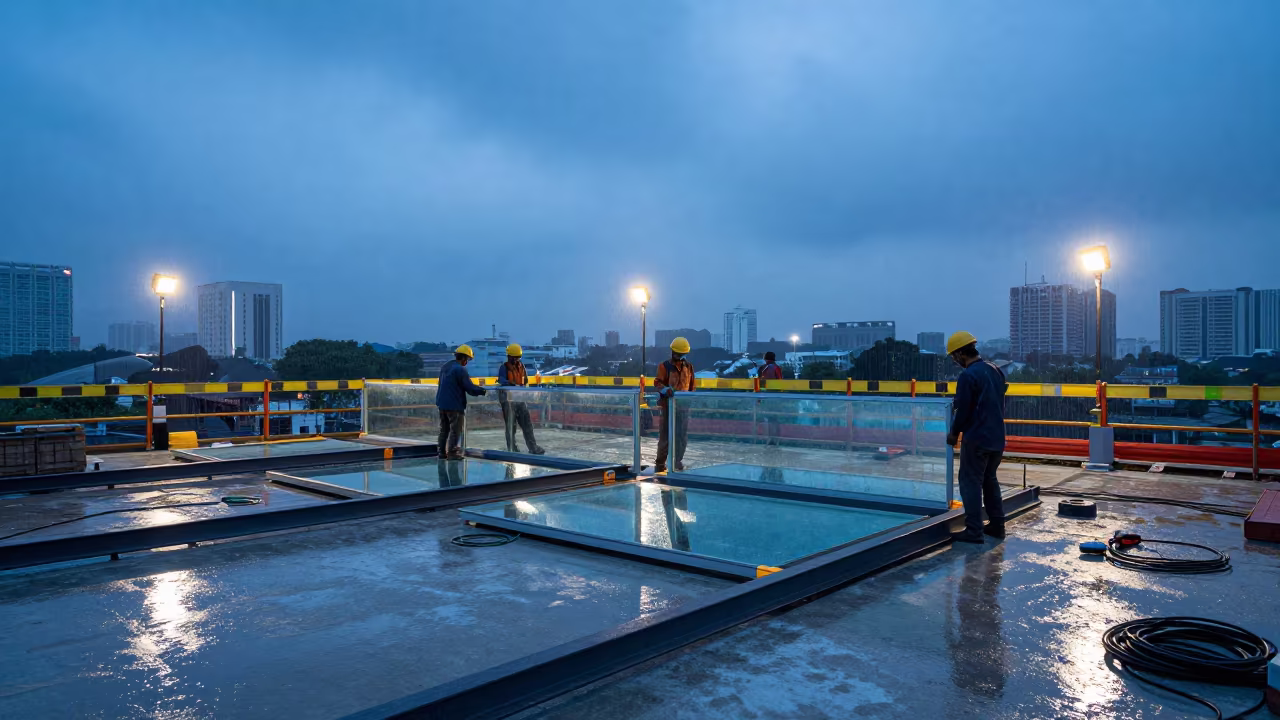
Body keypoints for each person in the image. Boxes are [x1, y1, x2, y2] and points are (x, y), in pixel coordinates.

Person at [945, 331, 1008, 543]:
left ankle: (973, 530)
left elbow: (962, 409)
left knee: (970, 481)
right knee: (989, 480)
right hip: (997, 437)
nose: (955, 361)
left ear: (962, 353)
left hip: (977, 438)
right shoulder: (995, 369)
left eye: (955, 356)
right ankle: (997, 526)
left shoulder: (968, 376)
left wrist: (954, 433)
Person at [435, 344, 487, 460]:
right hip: (454, 406)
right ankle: (453, 453)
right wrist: (483, 391)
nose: (467, 362)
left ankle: (441, 453)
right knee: (455, 430)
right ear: (463, 358)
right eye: (467, 359)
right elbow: (469, 388)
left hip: (442, 404)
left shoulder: (446, 366)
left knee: (444, 430)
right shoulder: (460, 369)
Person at [654, 336, 695, 473]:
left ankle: (677, 461)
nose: (681, 356)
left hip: (683, 407)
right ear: (673, 352)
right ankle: (660, 464)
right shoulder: (664, 366)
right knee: (665, 436)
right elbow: (658, 382)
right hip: (667, 407)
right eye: (679, 354)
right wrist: (664, 390)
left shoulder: (689, 367)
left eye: (683, 354)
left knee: (681, 436)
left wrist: (689, 400)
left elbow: (692, 387)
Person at [498, 343, 545, 455]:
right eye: (515, 357)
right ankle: (512, 448)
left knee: (527, 424)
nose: (517, 360)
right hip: (508, 401)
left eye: (518, 357)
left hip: (520, 398)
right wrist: (510, 384)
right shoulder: (503, 367)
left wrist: (522, 388)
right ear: (509, 356)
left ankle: (533, 447)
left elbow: (525, 381)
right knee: (511, 426)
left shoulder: (521, 366)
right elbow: (501, 380)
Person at [758, 351, 785, 445]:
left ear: (765, 359)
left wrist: (759, 398)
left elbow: (759, 384)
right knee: (775, 419)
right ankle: (776, 439)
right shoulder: (777, 368)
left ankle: (770, 439)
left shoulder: (762, 368)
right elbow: (780, 382)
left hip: (765, 396)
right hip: (775, 397)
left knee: (769, 419)